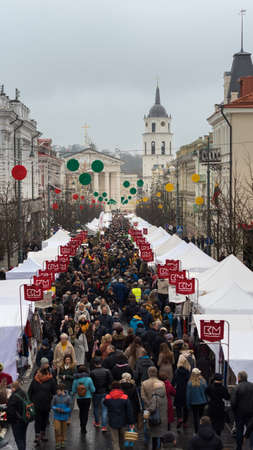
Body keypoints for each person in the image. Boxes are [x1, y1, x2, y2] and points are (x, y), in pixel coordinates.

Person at [28, 358, 57, 445]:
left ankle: (37, 436)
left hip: (36, 403)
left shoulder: (35, 380)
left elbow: (30, 392)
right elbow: (54, 391)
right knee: (44, 420)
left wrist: (31, 401)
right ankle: (42, 435)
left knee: (38, 420)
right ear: (47, 373)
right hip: (46, 403)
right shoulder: (51, 380)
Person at [104, 381, 134, 450]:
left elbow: (105, 403)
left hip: (112, 421)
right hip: (123, 421)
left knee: (115, 441)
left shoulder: (108, 397)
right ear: (120, 388)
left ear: (111, 388)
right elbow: (129, 411)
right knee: (123, 440)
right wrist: (131, 422)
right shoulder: (125, 397)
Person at [231, 370, 253, 450]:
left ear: (239, 378)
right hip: (251, 412)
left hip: (239, 413)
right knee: (251, 429)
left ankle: (239, 447)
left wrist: (234, 411)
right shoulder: (252, 386)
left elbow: (233, 402)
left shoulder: (237, 387)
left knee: (239, 430)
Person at [90, 357, 113, 431]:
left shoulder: (92, 372)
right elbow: (110, 381)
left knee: (96, 408)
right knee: (104, 409)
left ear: (94, 364)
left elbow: (91, 383)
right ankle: (104, 426)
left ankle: (97, 422)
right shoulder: (107, 371)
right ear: (101, 363)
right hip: (105, 392)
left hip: (96, 392)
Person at [72, 365, 95, 434]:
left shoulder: (75, 380)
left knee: (81, 411)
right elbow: (93, 390)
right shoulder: (89, 379)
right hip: (87, 398)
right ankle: (84, 426)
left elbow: (73, 390)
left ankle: (81, 424)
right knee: (86, 412)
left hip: (79, 398)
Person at [146, 381, 168, 450]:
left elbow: (152, 408)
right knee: (161, 435)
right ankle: (161, 447)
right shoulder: (164, 395)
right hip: (163, 418)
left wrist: (147, 409)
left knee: (154, 437)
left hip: (156, 419)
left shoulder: (155, 397)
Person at [7, 381, 28, 450]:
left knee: (19, 439)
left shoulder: (14, 397)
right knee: (23, 437)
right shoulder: (24, 392)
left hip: (17, 421)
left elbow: (11, 411)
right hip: (25, 419)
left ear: (14, 388)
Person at [187, 368, 207, 434]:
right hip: (202, 402)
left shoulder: (190, 383)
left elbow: (188, 395)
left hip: (194, 403)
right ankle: (202, 431)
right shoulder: (203, 382)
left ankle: (196, 432)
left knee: (195, 418)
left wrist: (188, 404)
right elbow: (206, 392)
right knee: (201, 417)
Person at [52, 383, 71, 449]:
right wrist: (55, 408)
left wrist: (64, 410)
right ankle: (57, 442)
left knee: (63, 430)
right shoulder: (55, 397)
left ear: (62, 390)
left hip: (64, 417)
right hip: (56, 416)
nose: (57, 392)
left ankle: (62, 442)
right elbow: (52, 405)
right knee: (57, 429)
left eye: (58, 390)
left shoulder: (68, 397)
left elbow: (69, 408)